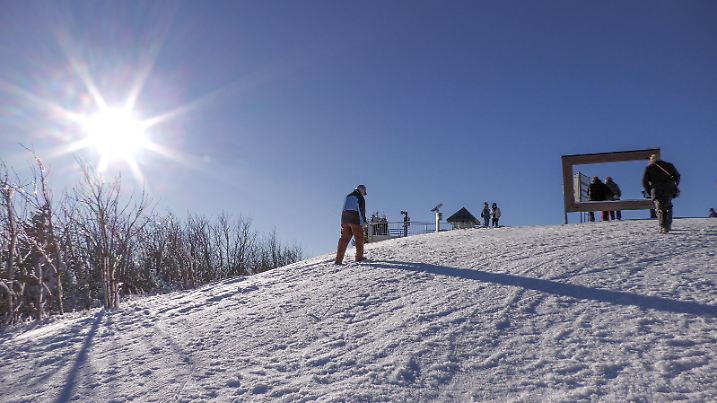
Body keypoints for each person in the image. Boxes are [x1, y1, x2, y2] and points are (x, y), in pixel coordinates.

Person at [642, 154, 680, 233]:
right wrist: (674, 185)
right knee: (668, 206)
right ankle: (668, 225)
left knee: (660, 208)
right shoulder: (669, 165)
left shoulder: (649, 167)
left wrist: (649, 191)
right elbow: (677, 176)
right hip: (669, 188)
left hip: (656, 190)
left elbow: (644, 182)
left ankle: (663, 226)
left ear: (651, 160)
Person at [335, 184, 368, 264]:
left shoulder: (348, 196)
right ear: (362, 190)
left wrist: (342, 223)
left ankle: (338, 260)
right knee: (359, 237)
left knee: (344, 239)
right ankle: (359, 257)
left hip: (344, 219)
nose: (364, 194)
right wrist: (363, 222)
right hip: (354, 219)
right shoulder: (360, 197)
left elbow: (344, 209)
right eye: (364, 192)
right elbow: (361, 211)